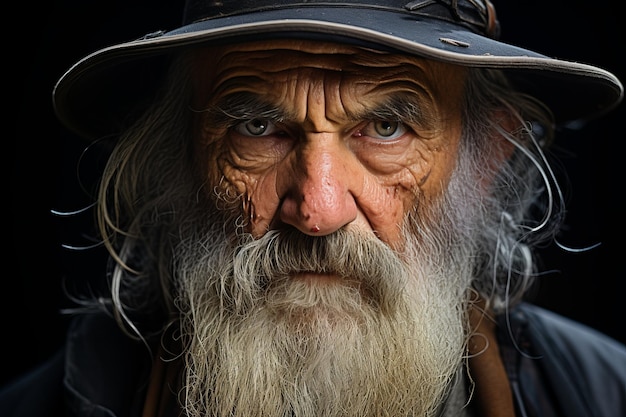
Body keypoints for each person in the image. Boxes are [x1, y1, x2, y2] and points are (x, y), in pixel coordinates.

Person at [3, 0, 626, 416]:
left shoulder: (603, 395)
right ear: (180, 157)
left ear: (485, 155)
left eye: (386, 127)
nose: (318, 210)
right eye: (255, 125)